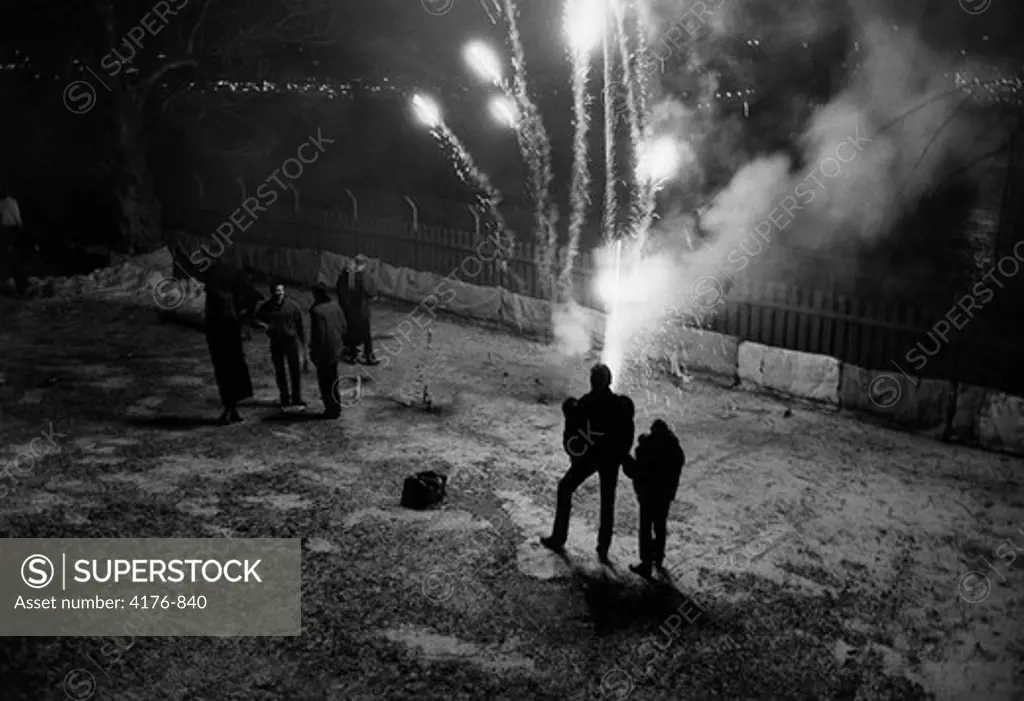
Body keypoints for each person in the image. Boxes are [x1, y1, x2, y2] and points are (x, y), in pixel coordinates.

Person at [541, 363, 635, 564]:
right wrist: (621, 456)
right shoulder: (619, 405)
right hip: (609, 460)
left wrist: (578, 458)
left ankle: (559, 537)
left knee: (565, 488)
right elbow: (626, 434)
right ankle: (603, 548)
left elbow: (574, 435)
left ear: (593, 381)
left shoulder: (585, 403)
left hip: (590, 459)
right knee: (607, 503)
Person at [623, 419, 686, 578]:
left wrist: (630, 456)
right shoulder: (676, 449)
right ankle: (658, 558)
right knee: (660, 527)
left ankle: (646, 563)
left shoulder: (648, 448)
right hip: (664, 496)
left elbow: (636, 471)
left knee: (645, 528)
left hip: (648, 494)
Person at [203, 262, 258, 425]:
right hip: (231, 328)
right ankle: (232, 407)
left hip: (219, 330)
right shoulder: (233, 278)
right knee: (233, 366)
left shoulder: (214, 285)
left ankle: (229, 407)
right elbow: (253, 298)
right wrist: (245, 317)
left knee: (223, 368)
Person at [254, 280, 308, 410]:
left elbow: (300, 326)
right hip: (276, 342)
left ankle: (297, 398)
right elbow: (256, 320)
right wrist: (263, 326)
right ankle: (285, 398)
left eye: (281, 290)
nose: (279, 293)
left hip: (291, 342)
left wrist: (303, 344)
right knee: (280, 372)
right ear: (272, 292)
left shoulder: (293, 306)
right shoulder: (266, 307)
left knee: (294, 372)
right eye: (277, 291)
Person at [308, 283, 347, 419]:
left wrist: (315, 353)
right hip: (336, 348)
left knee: (325, 383)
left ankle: (330, 409)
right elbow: (344, 326)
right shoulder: (336, 306)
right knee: (333, 379)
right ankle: (336, 407)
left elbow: (319, 334)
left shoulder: (316, 310)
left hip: (324, 351)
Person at [335, 253, 378, 365]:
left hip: (350, 311)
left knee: (351, 333)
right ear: (364, 264)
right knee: (366, 335)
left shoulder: (349, 275)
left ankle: (352, 355)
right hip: (362, 311)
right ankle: (369, 356)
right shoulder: (364, 276)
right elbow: (370, 292)